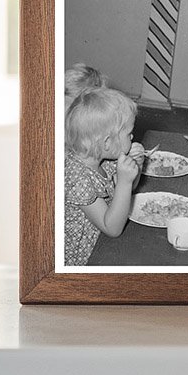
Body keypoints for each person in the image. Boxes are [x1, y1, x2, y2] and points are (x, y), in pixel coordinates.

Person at [63, 87, 141, 266]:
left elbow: (126, 193)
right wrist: (124, 182)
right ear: (107, 142)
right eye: (129, 133)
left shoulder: (103, 159)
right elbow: (112, 228)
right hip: (82, 261)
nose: (133, 136)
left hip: (101, 242)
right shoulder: (78, 179)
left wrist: (135, 168)